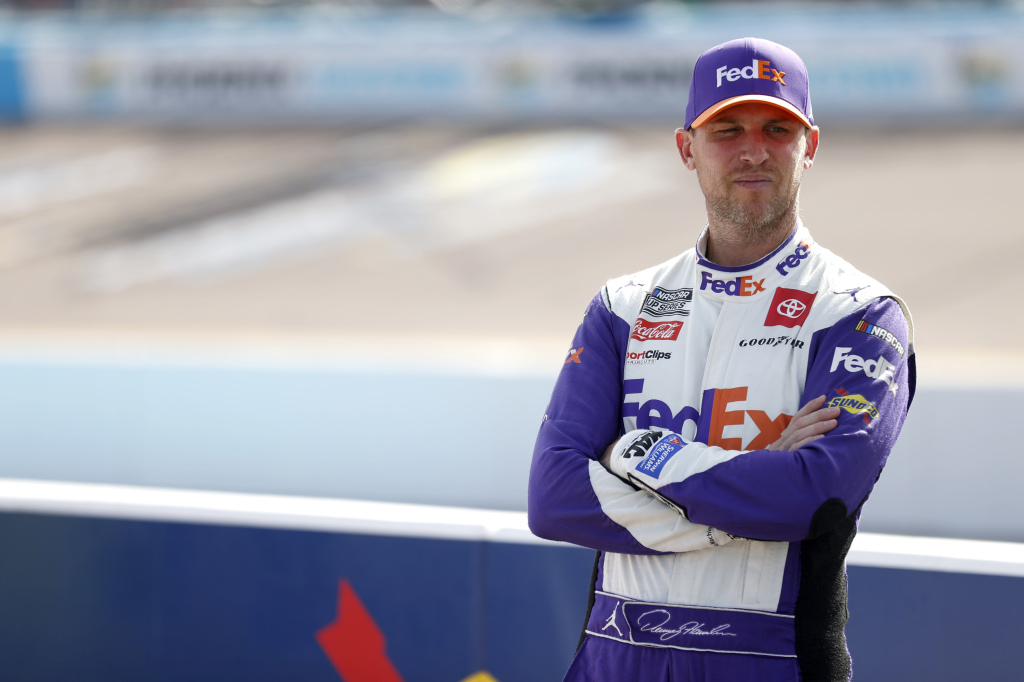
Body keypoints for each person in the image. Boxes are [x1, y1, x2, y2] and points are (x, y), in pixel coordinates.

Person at [528, 37, 915, 682]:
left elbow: (813, 500)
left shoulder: (859, 313)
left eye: (777, 129)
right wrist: (754, 486)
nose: (754, 150)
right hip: (614, 658)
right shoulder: (623, 306)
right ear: (688, 149)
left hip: (768, 661)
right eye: (727, 130)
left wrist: (637, 454)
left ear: (810, 146)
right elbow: (553, 498)